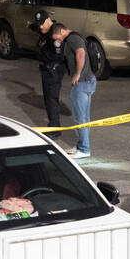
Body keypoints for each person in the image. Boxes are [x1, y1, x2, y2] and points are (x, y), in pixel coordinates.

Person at [51, 23, 96, 159]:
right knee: (85, 117)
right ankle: (81, 144)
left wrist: (77, 73)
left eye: (57, 37)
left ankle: (84, 149)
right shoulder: (74, 37)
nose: (57, 41)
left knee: (80, 117)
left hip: (81, 83)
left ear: (62, 31)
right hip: (88, 81)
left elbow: (80, 54)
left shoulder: (72, 39)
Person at [31, 10, 66, 140]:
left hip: (53, 71)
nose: (40, 27)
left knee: (52, 99)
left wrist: (43, 56)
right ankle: (52, 124)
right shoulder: (44, 32)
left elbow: (57, 55)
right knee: (48, 99)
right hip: (47, 70)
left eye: (42, 24)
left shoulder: (55, 33)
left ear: (48, 20)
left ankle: (54, 128)